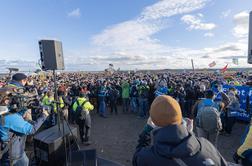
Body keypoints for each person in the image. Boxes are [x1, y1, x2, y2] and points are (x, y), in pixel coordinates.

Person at [132, 95, 227, 166]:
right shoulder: (206, 145)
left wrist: (146, 131)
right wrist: (189, 133)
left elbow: (136, 158)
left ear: (153, 121)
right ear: (179, 116)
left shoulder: (148, 157)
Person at [0, 73, 49, 166]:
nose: (12, 99)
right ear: (5, 100)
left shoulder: (3, 112)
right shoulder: (9, 117)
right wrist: (44, 115)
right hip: (14, 155)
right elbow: (31, 129)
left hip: (7, 151)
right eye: (9, 98)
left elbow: (14, 114)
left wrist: (23, 108)